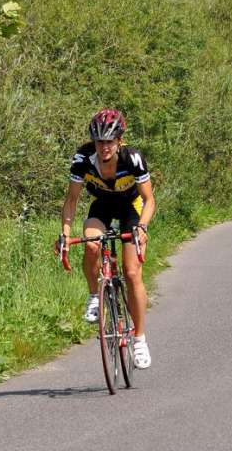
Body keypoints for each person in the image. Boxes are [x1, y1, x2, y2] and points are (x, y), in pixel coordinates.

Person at [58, 109, 156, 369]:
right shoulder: (82, 159)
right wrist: (65, 235)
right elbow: (71, 200)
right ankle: (94, 295)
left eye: (109, 141)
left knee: (132, 273)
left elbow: (149, 200)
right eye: (100, 141)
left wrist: (142, 227)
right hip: (102, 206)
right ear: (94, 141)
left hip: (130, 208)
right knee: (91, 243)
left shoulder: (132, 158)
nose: (104, 147)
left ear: (119, 140)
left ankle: (139, 339)